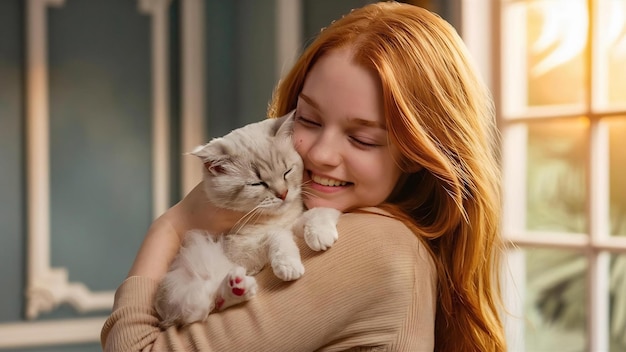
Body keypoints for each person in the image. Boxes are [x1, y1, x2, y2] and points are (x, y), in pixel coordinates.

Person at [101, 2, 506, 351]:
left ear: (419, 154)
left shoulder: (371, 245)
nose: (319, 154)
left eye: (363, 139)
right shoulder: (387, 233)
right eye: (308, 119)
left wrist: (176, 222)